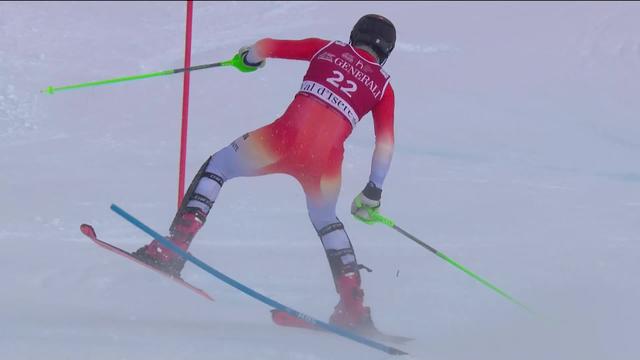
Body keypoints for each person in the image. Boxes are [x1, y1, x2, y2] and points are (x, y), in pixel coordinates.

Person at [134, 14, 396, 332]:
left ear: (355, 34)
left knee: (217, 167)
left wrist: (248, 59)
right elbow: (384, 145)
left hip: (281, 140)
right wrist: (373, 192)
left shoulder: (326, 48)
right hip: (324, 162)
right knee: (327, 222)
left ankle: (173, 247)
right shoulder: (383, 87)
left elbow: (266, 46)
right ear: (386, 52)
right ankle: (353, 306)